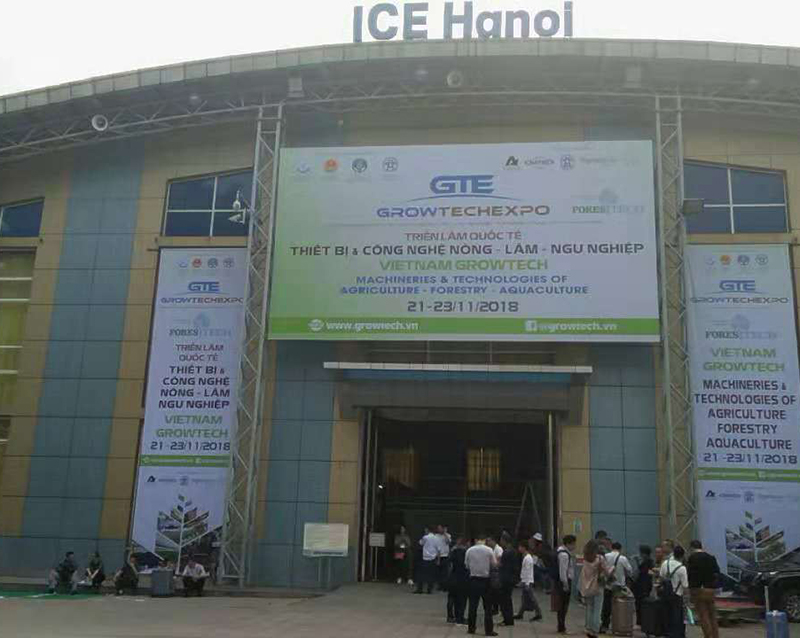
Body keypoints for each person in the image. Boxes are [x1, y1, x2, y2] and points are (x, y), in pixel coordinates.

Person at [465, 533, 498, 636]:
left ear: (476, 540)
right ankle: (488, 630)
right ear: (484, 540)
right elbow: (494, 565)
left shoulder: (469, 550)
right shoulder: (489, 550)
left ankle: (471, 628)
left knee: (472, 605)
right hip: (485, 580)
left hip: (473, 580)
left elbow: (466, 565)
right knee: (487, 607)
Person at [687, 540, 720, 638]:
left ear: (692, 547)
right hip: (711, 589)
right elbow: (717, 572)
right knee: (712, 615)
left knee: (703, 615)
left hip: (698, 589)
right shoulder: (711, 557)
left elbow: (690, 575)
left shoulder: (692, 558)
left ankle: (708, 636)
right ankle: (715, 635)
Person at [600, 541, 633, 633]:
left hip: (608, 585)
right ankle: (618, 625)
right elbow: (630, 571)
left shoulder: (605, 556)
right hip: (619, 586)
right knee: (619, 606)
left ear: (611, 547)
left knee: (606, 607)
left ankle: (604, 626)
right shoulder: (623, 558)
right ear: (620, 549)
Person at [659, 545, 689, 638]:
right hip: (677, 595)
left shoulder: (665, 563)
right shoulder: (682, 568)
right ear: (682, 556)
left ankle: (667, 633)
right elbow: (685, 586)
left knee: (666, 615)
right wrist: (687, 600)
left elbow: (661, 577)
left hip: (665, 594)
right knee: (677, 617)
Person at [580, 540, 607, 638]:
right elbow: (606, 571)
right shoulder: (600, 559)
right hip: (598, 587)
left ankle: (589, 628)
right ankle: (595, 630)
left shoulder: (585, 559)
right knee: (597, 610)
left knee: (590, 608)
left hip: (587, 587)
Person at [514, 539, 543, 622]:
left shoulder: (528, 558)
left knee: (532, 598)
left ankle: (539, 613)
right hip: (526, 581)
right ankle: (520, 613)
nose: (519, 549)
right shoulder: (526, 557)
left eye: (520, 547)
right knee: (524, 598)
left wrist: (526, 583)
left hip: (528, 581)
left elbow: (528, 571)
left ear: (524, 548)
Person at [556, 535, 577, 634]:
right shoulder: (564, 555)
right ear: (568, 544)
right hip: (564, 582)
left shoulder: (562, 552)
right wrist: (565, 584)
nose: (574, 546)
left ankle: (561, 626)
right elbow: (563, 571)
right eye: (573, 544)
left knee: (562, 605)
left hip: (564, 581)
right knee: (563, 606)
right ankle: (561, 627)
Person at [446, 537, 470, 625]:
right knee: (462, 599)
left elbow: (449, 564)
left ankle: (451, 616)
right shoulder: (466, 553)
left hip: (453, 577)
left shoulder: (453, 552)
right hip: (463, 578)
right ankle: (460, 617)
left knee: (452, 597)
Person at [497, 534, 519, 626]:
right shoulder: (513, 551)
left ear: (504, 541)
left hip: (505, 578)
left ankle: (507, 619)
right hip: (510, 578)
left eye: (501, 540)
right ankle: (508, 619)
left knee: (504, 600)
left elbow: (502, 565)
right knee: (507, 599)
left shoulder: (507, 552)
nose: (500, 542)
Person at [631, 545, 654, 627]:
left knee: (640, 604)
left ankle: (641, 621)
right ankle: (641, 621)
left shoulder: (647, 563)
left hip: (642, 586)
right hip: (644, 586)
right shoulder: (648, 562)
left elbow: (640, 573)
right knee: (640, 604)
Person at [415, 526, 439, 594]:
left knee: (421, 574)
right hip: (433, 558)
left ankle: (420, 589)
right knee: (431, 575)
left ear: (428, 530)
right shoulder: (436, 538)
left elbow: (420, 543)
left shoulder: (425, 537)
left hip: (425, 558)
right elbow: (438, 549)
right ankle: (429, 590)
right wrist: (438, 559)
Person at [436, 524, 451, 590]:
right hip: (438, 555)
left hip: (445, 555)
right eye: (438, 528)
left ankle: (445, 586)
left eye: (440, 528)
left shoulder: (448, 535)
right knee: (439, 572)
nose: (439, 529)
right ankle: (440, 585)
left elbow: (448, 542)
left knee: (445, 572)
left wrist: (445, 533)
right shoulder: (436, 536)